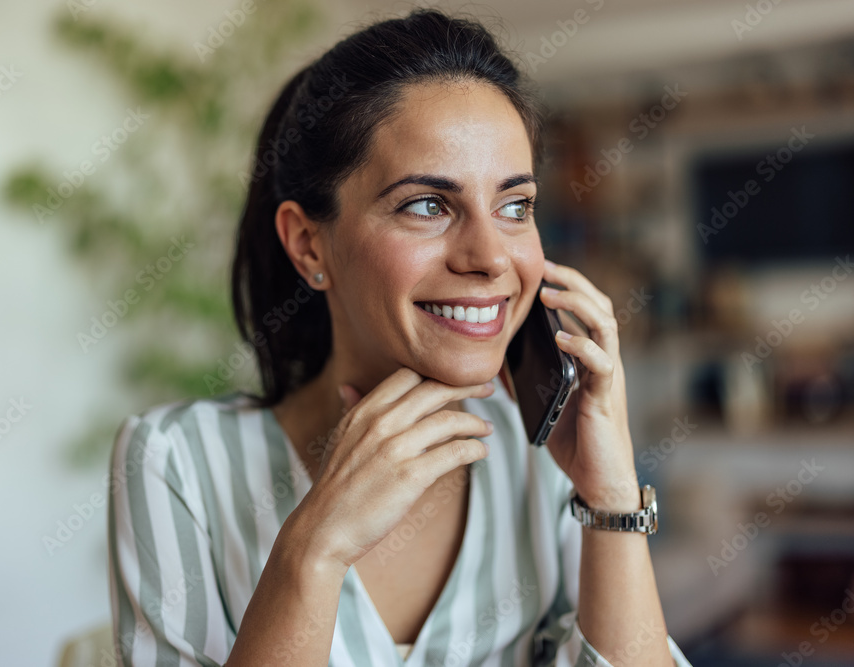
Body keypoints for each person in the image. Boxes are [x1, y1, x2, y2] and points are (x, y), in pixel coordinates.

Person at [107, 7, 695, 666]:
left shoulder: (541, 454)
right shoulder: (179, 461)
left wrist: (610, 498)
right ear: (308, 244)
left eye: (515, 206)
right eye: (428, 205)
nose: (491, 257)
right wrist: (316, 544)